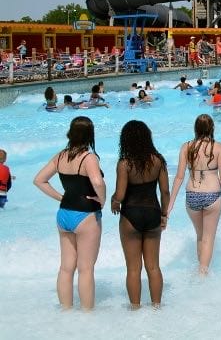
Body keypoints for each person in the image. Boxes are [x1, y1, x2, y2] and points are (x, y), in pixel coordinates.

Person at [32, 116, 106, 309]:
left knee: (66, 268)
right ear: (90, 134)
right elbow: (98, 182)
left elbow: (39, 180)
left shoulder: (60, 156)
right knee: (85, 269)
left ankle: (66, 313)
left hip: (63, 214)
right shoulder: (88, 157)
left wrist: (60, 197)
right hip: (86, 216)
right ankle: (87, 315)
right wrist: (102, 200)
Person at [168, 114, 221, 275]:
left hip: (191, 195)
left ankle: (200, 271)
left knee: (200, 236)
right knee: (208, 238)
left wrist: (170, 205)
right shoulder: (218, 147)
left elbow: (179, 177)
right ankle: (202, 275)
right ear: (212, 128)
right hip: (212, 195)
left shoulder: (186, 147)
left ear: (196, 128)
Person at [110, 120, 169, 309]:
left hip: (131, 215)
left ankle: (135, 310)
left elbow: (120, 194)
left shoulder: (125, 164)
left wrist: (114, 201)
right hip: (153, 213)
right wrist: (164, 214)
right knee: (153, 267)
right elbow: (165, 192)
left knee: (134, 268)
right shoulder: (158, 160)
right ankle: (157, 308)